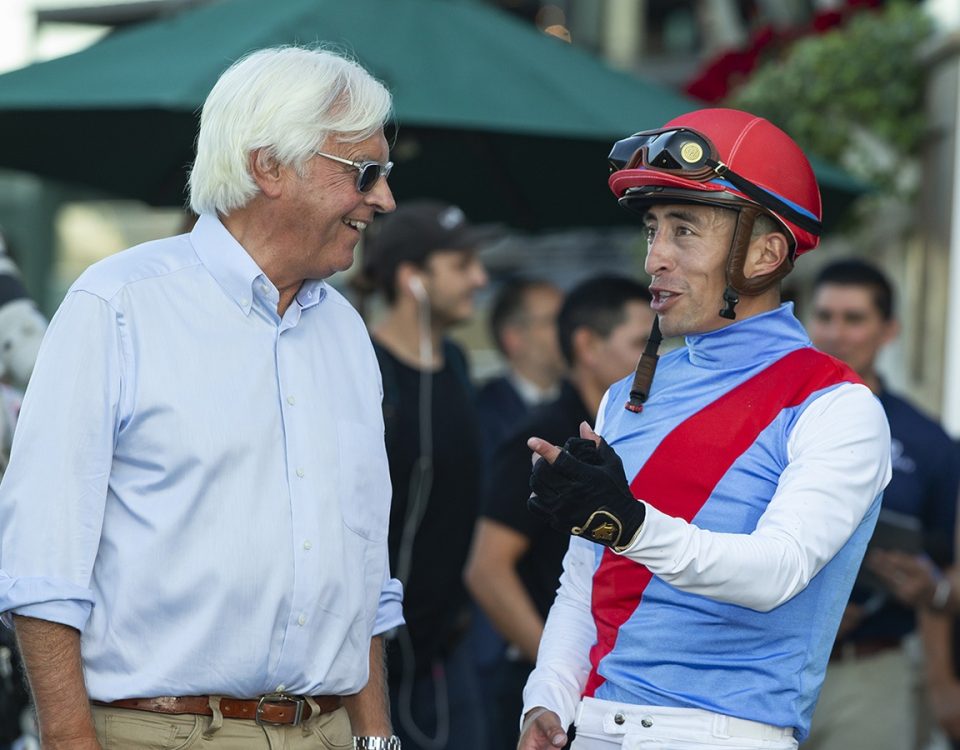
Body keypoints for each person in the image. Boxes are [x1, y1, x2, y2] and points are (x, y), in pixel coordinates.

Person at [0, 46, 404, 750]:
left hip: (327, 732)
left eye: (385, 175)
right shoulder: (117, 304)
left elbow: (361, 573)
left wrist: (376, 739)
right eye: (363, 173)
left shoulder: (345, 331)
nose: (383, 198)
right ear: (268, 167)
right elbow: (41, 567)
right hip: (158, 732)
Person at [516, 108, 892, 750]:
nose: (655, 259)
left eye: (684, 231)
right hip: (590, 723)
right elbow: (584, 575)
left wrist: (628, 523)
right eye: (652, 231)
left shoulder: (839, 405)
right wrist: (545, 698)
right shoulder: (621, 396)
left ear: (766, 253)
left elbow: (776, 572)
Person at [465, 274, 653, 750]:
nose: (655, 360)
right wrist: (557, 682)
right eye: (640, 343)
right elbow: (487, 570)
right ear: (587, 345)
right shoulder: (538, 438)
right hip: (547, 700)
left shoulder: (640, 433)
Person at [804, 259, 960, 750]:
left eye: (854, 319)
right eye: (825, 316)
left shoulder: (928, 442)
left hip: (868, 671)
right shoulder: (768, 416)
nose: (836, 333)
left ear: (888, 330)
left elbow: (947, 565)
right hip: (761, 661)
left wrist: (930, 588)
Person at [360, 200, 490, 750]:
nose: (479, 279)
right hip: (373, 656)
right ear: (412, 278)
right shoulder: (363, 366)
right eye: (461, 265)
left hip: (448, 648)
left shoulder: (457, 363)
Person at [476, 278, 566, 463]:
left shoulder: (588, 402)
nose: (570, 329)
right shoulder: (481, 414)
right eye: (554, 320)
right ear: (514, 337)